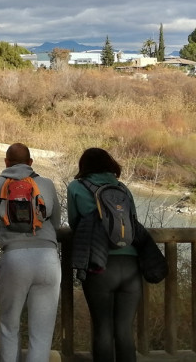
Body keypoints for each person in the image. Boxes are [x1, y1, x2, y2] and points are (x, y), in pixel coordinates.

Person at [0, 143, 61, 362]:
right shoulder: (46, 184)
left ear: (6, 162)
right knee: (42, 331)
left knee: (9, 324)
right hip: (47, 260)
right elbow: (57, 223)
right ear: (31, 162)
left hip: (14, 259)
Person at [67, 147, 141, 362]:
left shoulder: (76, 187)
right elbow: (133, 221)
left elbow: (74, 223)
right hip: (130, 263)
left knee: (103, 329)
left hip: (98, 264)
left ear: (84, 167)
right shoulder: (123, 189)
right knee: (125, 330)